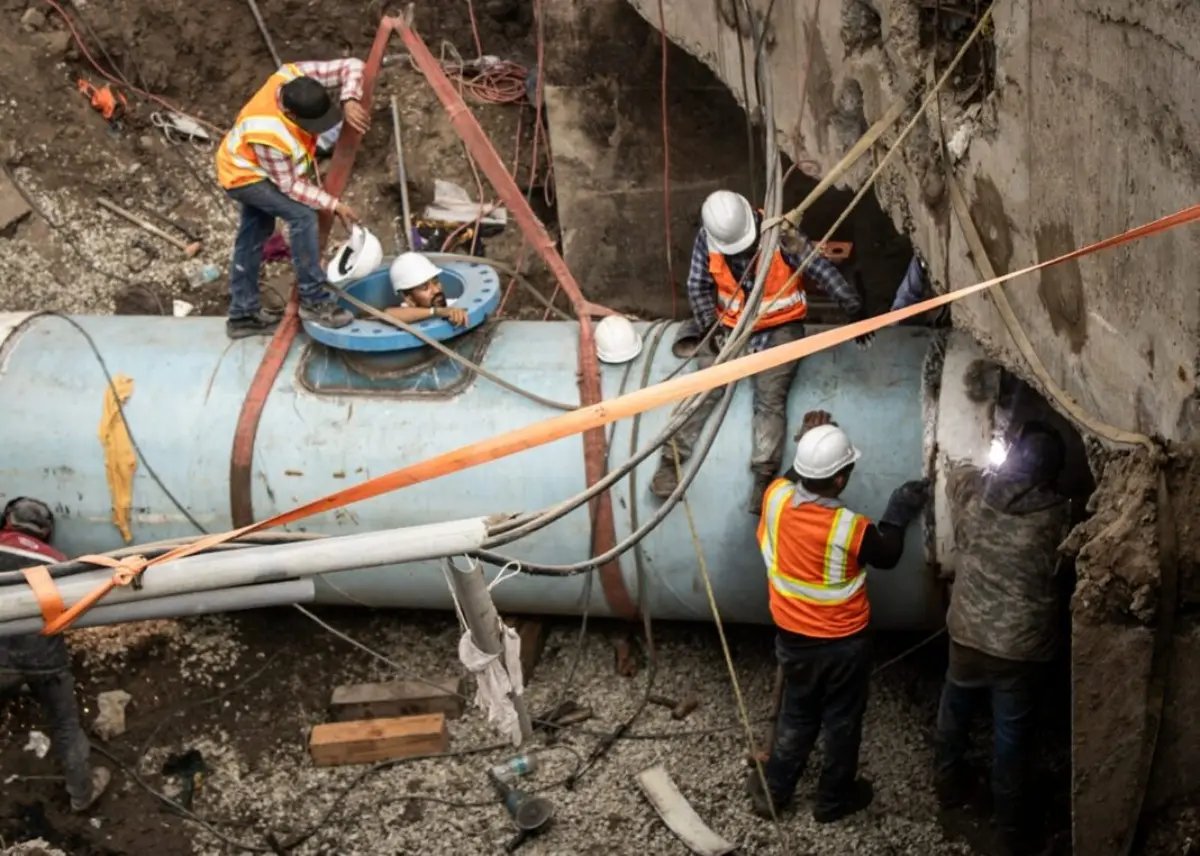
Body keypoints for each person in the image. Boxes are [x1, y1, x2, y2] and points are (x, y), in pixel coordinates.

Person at [747, 410, 929, 823]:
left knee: (798, 714)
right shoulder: (847, 528)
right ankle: (832, 801)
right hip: (843, 644)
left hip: (792, 638)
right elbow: (887, 553)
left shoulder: (775, 498)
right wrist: (898, 512)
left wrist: (811, 441)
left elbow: (792, 477)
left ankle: (774, 794)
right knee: (842, 720)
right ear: (842, 480)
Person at [650, 190, 874, 514]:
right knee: (706, 387)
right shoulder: (709, 240)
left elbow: (818, 268)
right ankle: (669, 463)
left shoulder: (781, 236)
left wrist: (853, 308)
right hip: (732, 327)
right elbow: (697, 286)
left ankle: (763, 478)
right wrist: (710, 327)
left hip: (780, 328)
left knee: (769, 399)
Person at [934, 421, 1071, 855]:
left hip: (967, 635)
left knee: (954, 712)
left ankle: (947, 788)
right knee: (1010, 739)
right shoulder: (1060, 518)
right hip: (1021, 649)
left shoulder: (975, 497)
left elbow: (957, 474)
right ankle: (1009, 829)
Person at [215, 59, 373, 339]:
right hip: (244, 175)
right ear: (289, 112)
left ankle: (242, 315)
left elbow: (353, 65)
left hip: (254, 164)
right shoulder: (268, 133)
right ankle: (313, 300)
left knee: (253, 236)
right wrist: (334, 205)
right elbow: (290, 186)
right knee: (303, 216)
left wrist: (349, 99)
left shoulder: (293, 76)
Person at [0, 498, 111, 813]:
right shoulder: (58, 562)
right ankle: (82, 793)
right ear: (46, 532)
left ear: (7, 521)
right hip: (45, 661)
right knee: (64, 726)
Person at [385, 252, 469, 327]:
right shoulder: (403, 312)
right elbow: (386, 314)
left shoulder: (453, 304)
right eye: (425, 288)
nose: (436, 290)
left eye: (436, 282)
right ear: (409, 299)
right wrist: (436, 311)